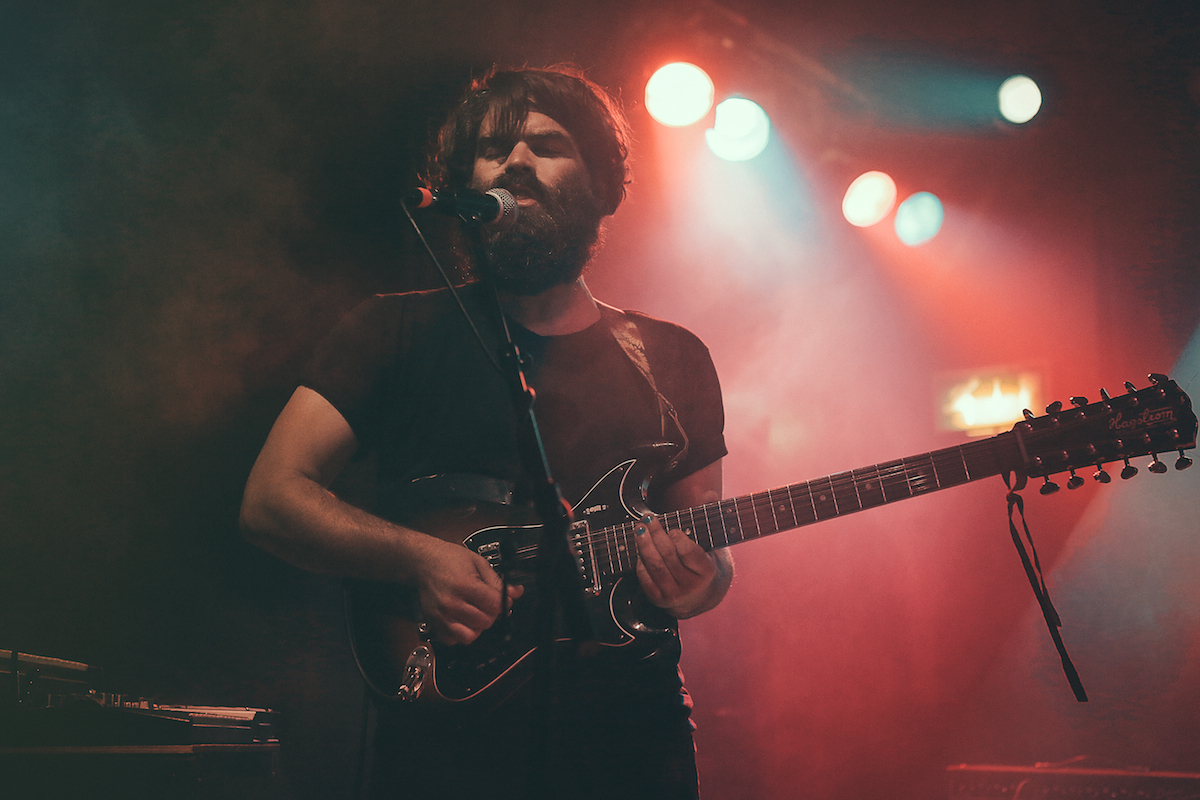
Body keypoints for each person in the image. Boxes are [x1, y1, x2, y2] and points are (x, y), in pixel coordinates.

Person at [239, 65, 734, 800]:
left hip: (631, 735)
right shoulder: (392, 329)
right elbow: (271, 499)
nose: (516, 162)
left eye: (545, 144)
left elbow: (709, 546)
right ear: (465, 186)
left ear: (599, 187)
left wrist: (703, 581)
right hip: (448, 748)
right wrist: (418, 561)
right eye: (493, 148)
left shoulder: (672, 357)